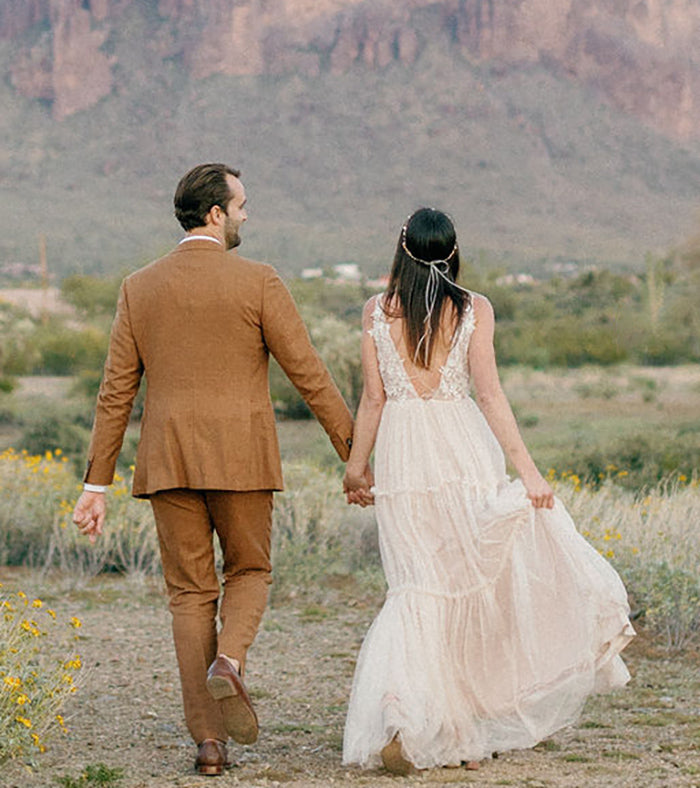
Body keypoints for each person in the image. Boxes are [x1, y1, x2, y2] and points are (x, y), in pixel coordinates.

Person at [72, 163, 359, 777]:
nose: (247, 215)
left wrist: (95, 484)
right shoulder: (259, 281)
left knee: (189, 595)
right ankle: (229, 661)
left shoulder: (138, 287)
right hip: (243, 457)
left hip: (167, 462)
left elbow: (114, 392)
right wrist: (354, 453)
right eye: (242, 205)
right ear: (215, 214)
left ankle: (208, 743)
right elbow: (307, 371)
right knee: (251, 568)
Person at [341, 207, 634, 774]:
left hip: (404, 459)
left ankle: (408, 716)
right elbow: (491, 395)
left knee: (417, 586)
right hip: (464, 450)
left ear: (401, 249)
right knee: (470, 585)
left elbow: (373, 401)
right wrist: (528, 472)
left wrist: (356, 469)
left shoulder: (376, 312)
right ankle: (463, 731)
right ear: (452, 251)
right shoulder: (474, 309)